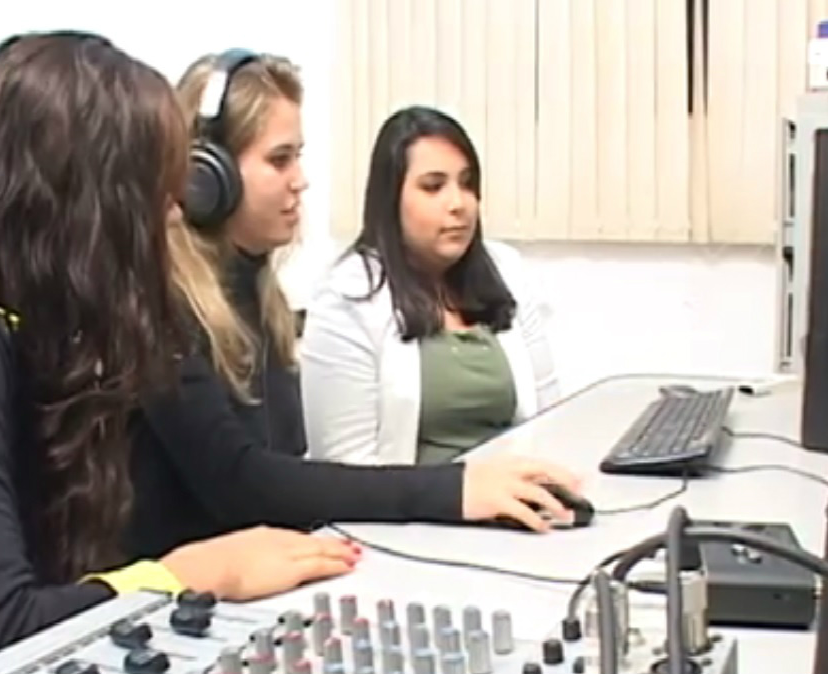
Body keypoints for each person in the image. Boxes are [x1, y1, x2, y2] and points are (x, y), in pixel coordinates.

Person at [0, 33, 364, 674]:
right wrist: (184, 575)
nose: (174, 217)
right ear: (81, 203)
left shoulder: (36, 334)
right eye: (153, 192)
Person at [123, 51, 582, 563]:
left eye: (299, 156)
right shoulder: (160, 303)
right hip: (178, 603)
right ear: (205, 175)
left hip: (263, 575)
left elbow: (288, 471)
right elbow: (239, 481)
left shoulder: (256, 292)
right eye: (280, 160)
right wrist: (453, 491)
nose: (301, 179)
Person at [300, 105, 560, 465]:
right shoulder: (347, 297)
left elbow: (549, 422)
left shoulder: (506, 271)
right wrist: (461, 499)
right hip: (406, 516)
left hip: (514, 507)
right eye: (433, 187)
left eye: (467, 184)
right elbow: (344, 472)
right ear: (391, 201)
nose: (458, 204)